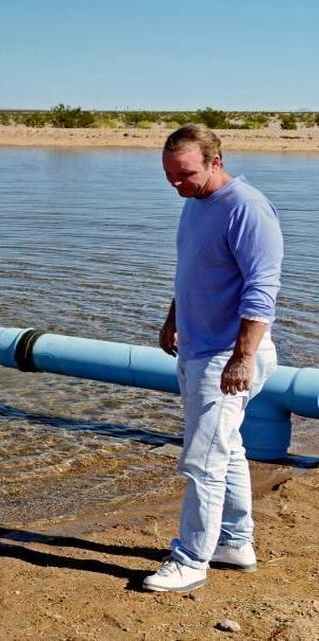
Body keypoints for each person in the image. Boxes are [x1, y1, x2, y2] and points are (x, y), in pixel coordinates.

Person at [144, 124, 283, 592]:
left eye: (184, 174)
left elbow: (263, 291)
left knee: (201, 460)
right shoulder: (195, 203)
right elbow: (189, 267)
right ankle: (235, 542)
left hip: (228, 355)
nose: (176, 185)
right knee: (228, 451)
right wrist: (173, 317)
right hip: (198, 346)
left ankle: (191, 560)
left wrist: (241, 358)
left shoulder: (247, 208)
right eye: (169, 176)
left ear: (215, 161)